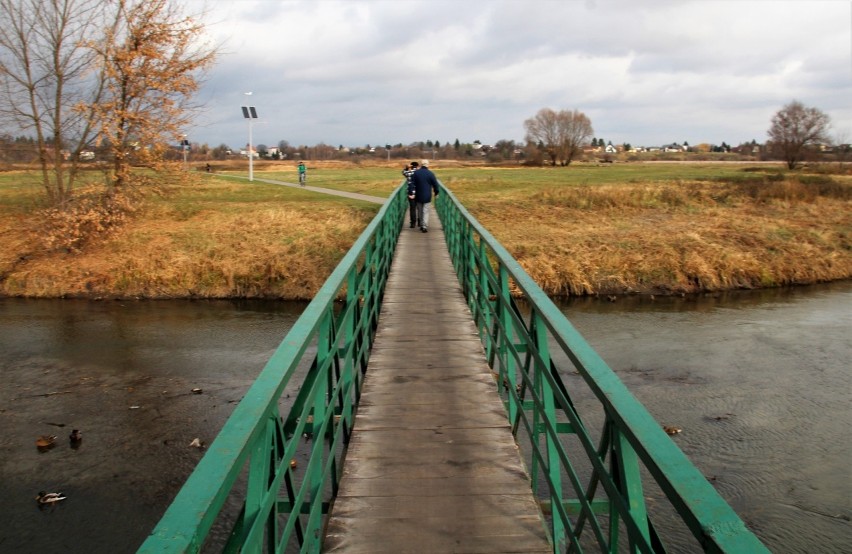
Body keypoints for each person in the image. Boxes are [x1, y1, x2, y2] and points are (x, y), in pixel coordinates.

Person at [409, 159, 439, 233]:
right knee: (426, 211)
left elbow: (411, 184)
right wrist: (436, 193)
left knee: (420, 210)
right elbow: (435, 185)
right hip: (427, 195)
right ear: (427, 165)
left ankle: (422, 224)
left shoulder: (416, 173)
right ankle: (424, 226)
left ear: (421, 165)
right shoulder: (430, 174)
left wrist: (411, 193)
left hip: (418, 195)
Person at [403, 161, 418, 228]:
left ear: (411, 166)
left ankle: (413, 223)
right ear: (417, 166)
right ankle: (420, 222)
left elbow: (403, 172)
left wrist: (407, 167)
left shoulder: (408, 173)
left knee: (412, 208)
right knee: (420, 207)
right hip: (418, 191)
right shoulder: (418, 172)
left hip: (411, 192)